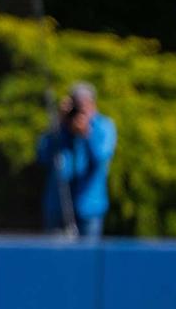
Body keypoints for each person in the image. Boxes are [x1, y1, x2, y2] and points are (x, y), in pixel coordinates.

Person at [37, 82, 118, 238]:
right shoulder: (61, 129)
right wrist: (60, 124)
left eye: (83, 104)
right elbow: (43, 155)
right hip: (58, 205)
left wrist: (87, 134)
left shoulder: (104, 126)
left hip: (89, 206)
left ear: (92, 103)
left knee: (88, 260)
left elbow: (101, 158)